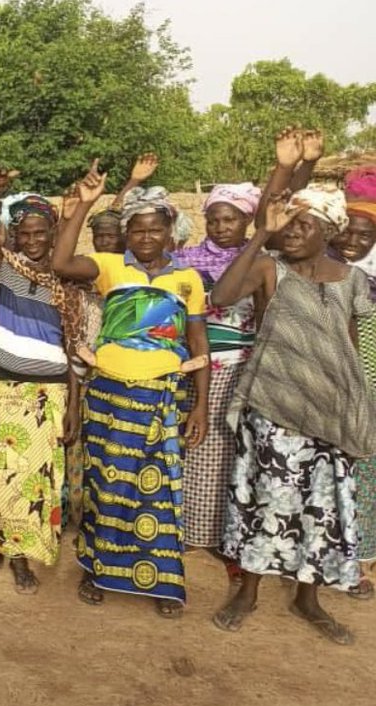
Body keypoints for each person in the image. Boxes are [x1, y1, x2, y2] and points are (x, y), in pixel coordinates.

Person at [211, 186, 375, 644]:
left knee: (321, 511)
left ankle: (308, 598)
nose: (293, 232)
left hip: (330, 415)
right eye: (290, 224)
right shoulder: (270, 268)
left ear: (329, 232)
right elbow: (222, 295)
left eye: (305, 225)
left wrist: (356, 412)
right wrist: (262, 232)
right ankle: (248, 592)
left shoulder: (351, 279)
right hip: (273, 408)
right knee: (265, 503)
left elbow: (350, 349)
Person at [52, 161, 210, 619]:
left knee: (157, 491)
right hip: (108, 396)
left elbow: (198, 343)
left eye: (154, 229)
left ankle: (161, 579)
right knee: (105, 485)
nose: (145, 237)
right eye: (137, 229)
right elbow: (61, 263)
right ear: (127, 233)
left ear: (169, 232)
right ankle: (96, 569)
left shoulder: (188, 280)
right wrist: (84, 207)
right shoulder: (108, 267)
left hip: (161, 398)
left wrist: (200, 404)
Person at [0, 171, 83, 594]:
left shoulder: (67, 281)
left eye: (40, 233)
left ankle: (21, 557)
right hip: (8, 389)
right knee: (3, 475)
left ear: (53, 234)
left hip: (50, 393)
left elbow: (72, 349)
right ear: (14, 236)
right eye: (25, 233)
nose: (33, 240)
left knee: (38, 481)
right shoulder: (7, 270)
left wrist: (73, 406)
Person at [177, 182, 263, 574]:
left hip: (240, 366)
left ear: (248, 220)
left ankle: (223, 533)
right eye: (214, 220)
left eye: (231, 219)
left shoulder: (260, 261)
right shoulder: (186, 260)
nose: (221, 227)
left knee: (230, 454)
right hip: (197, 365)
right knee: (197, 449)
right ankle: (193, 531)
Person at [337, 178, 376, 597]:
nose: (353, 241)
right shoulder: (323, 271)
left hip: (371, 388)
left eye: (364, 235)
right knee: (335, 471)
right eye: (346, 231)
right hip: (334, 387)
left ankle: (361, 557)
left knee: (366, 472)